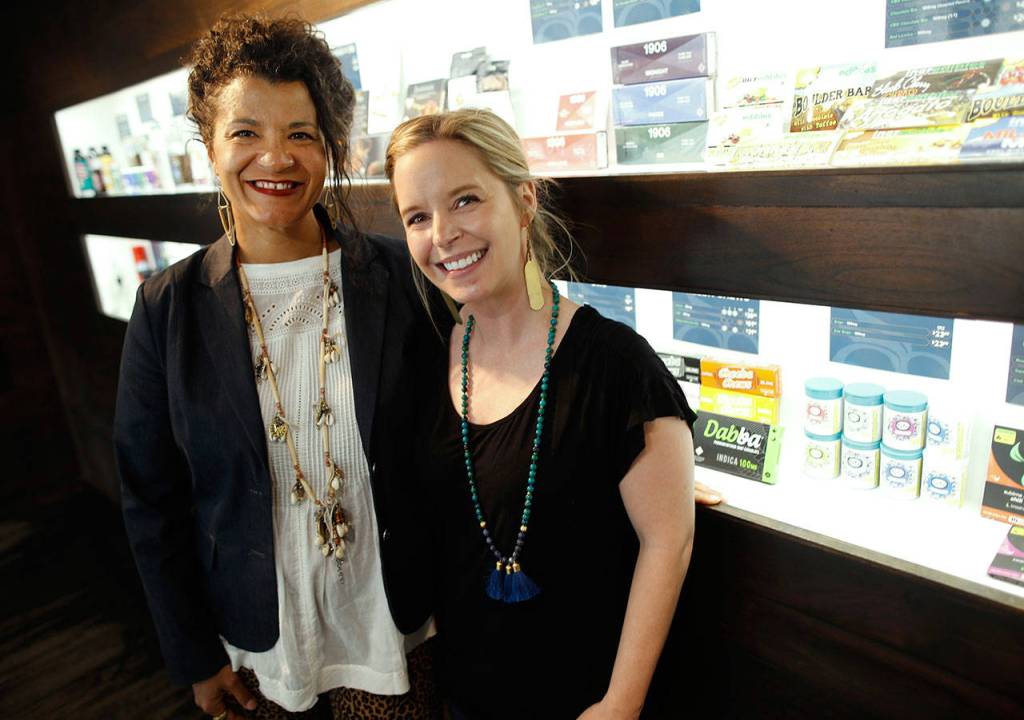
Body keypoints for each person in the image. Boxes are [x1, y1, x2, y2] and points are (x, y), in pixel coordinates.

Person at [114, 15, 441, 720]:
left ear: (329, 147)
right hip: (259, 648)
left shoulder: (398, 275)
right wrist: (195, 657)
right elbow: (151, 501)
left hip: (391, 633)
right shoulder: (166, 309)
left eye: (301, 133)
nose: (276, 157)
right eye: (245, 133)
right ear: (209, 145)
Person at [386, 109, 703, 719]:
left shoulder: (615, 363)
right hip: (464, 694)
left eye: (466, 201)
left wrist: (620, 702)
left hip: (584, 698)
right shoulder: (423, 358)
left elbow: (669, 538)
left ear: (524, 200)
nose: (443, 234)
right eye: (418, 217)